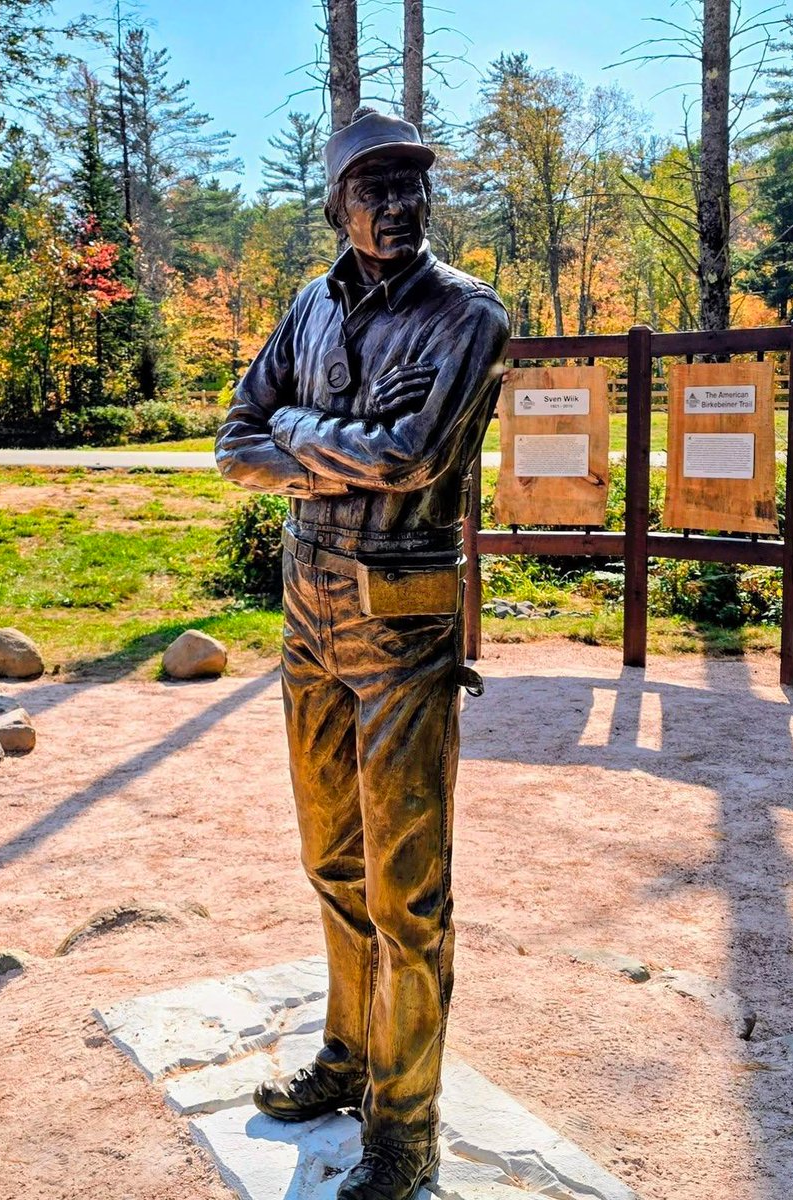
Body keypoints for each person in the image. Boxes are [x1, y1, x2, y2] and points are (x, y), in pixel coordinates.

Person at [215, 108, 509, 1200]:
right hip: (308, 612)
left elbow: (415, 454)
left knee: (410, 893)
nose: (395, 205)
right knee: (331, 861)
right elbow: (232, 442)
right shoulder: (309, 306)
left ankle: (406, 1127)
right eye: (372, 189)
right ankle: (347, 1055)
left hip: (402, 618)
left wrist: (297, 431)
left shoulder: (466, 315)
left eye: (409, 187)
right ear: (337, 203)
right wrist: (315, 436)